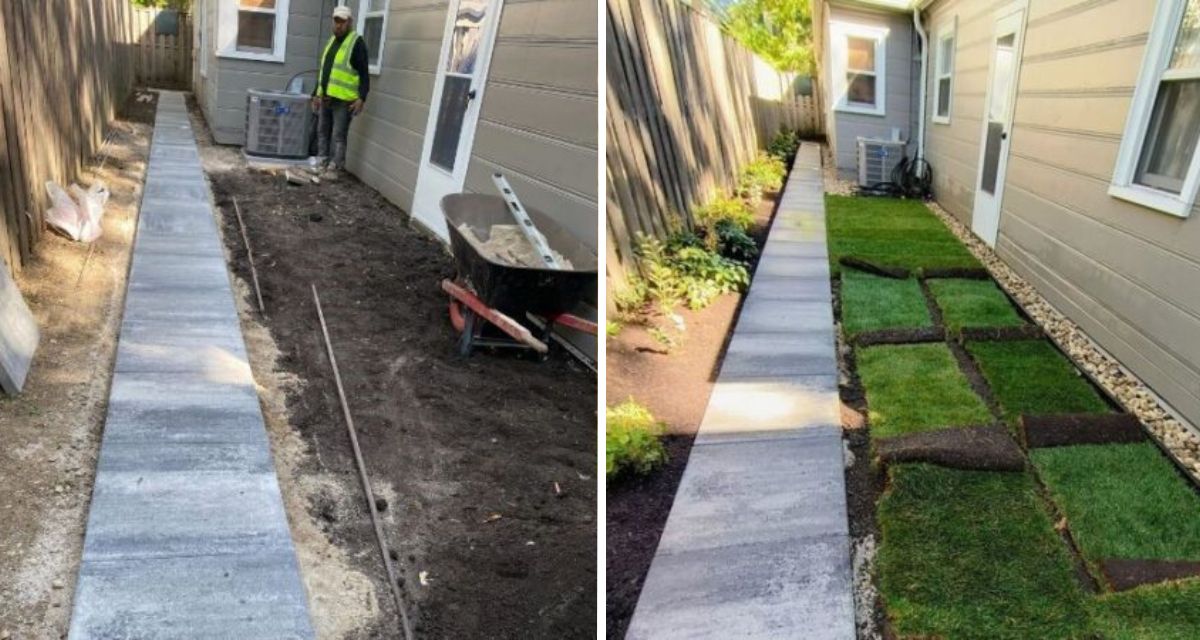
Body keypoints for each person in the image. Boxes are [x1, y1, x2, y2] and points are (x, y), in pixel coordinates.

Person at [310, 6, 370, 180]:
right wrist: (316, 93)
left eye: (342, 22)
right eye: (336, 21)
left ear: (349, 22)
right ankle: (322, 162)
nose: (338, 25)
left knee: (338, 136)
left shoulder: (356, 43)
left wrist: (361, 97)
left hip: (344, 101)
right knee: (322, 131)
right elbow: (324, 71)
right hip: (326, 97)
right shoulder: (331, 41)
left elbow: (364, 74)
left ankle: (335, 168)